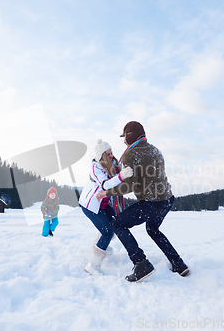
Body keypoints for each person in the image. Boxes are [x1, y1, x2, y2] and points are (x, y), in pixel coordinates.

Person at [96, 121, 189, 282]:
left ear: (129, 136)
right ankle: (179, 264)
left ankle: (140, 263)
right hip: (167, 201)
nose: (123, 141)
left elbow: (129, 185)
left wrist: (107, 193)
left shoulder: (130, 154)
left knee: (117, 224)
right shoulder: (155, 150)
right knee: (153, 229)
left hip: (152, 203)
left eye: (124, 137)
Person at [79, 139, 133, 274]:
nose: (111, 156)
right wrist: (121, 176)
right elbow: (105, 185)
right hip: (91, 205)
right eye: (107, 154)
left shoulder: (111, 165)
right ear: (101, 156)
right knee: (107, 232)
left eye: (111, 153)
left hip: (102, 204)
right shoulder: (96, 168)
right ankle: (93, 266)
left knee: (115, 224)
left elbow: (117, 176)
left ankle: (98, 247)